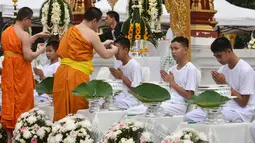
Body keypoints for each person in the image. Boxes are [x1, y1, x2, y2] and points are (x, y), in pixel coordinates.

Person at [53, 7, 119, 121]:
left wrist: (102, 44)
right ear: (94, 21)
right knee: (78, 109)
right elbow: (106, 55)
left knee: (61, 109)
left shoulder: (71, 30)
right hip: (77, 75)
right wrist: (115, 49)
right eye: (98, 23)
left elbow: (84, 53)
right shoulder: (92, 34)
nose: (97, 26)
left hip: (62, 73)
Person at [1, 7, 49, 143]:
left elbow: (19, 43)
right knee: (22, 101)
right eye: (30, 21)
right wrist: (41, 51)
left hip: (9, 70)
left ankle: (9, 137)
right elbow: (28, 56)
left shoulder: (6, 32)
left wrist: (37, 36)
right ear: (26, 19)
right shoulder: (24, 34)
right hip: (20, 71)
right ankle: (21, 134)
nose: (30, 24)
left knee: (9, 99)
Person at [185, 37, 255, 123]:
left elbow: (243, 103)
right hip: (224, 108)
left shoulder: (246, 70)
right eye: (216, 56)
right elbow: (220, 96)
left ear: (229, 51)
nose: (218, 59)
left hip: (240, 112)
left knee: (214, 118)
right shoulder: (222, 70)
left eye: (219, 56)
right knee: (190, 116)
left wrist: (225, 84)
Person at [160, 36, 200, 116]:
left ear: (185, 50)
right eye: (171, 49)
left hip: (179, 105)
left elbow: (189, 96)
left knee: (153, 110)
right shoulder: (171, 69)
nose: (173, 52)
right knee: (142, 108)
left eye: (176, 48)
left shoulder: (190, 69)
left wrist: (172, 83)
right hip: (167, 101)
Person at [109, 37, 142, 109]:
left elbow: (137, 90)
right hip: (121, 96)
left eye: (117, 50)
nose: (115, 53)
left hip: (131, 99)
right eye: (114, 50)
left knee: (112, 104)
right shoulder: (119, 66)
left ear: (126, 50)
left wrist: (121, 77)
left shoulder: (135, 66)